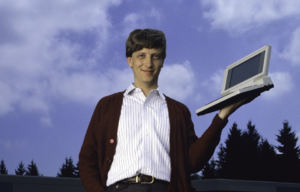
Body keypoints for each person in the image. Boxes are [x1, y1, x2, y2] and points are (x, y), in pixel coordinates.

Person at [79, 29, 259, 192]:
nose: (148, 63)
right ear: (130, 61)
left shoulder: (179, 111)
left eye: (155, 56)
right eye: (141, 56)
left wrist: (222, 115)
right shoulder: (107, 105)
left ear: (163, 61)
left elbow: (193, 163)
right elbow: (87, 159)